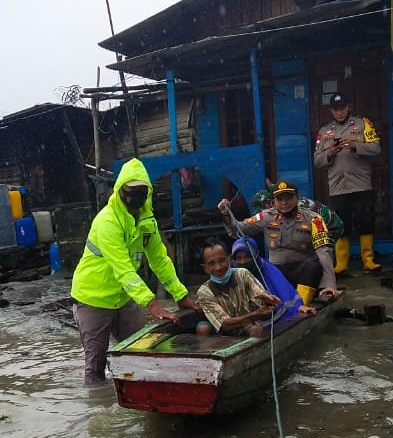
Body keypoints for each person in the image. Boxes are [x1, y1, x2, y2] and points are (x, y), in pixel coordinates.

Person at [70, 158, 200, 386]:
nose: (135, 197)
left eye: (141, 191)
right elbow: (124, 269)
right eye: (130, 191)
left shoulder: (147, 220)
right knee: (95, 365)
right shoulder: (107, 222)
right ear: (120, 190)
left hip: (123, 297)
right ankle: (98, 411)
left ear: (148, 191)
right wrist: (152, 304)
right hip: (92, 299)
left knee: (143, 348)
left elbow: (160, 260)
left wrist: (181, 296)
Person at [218, 179, 340, 305]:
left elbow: (324, 252)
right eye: (280, 199)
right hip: (275, 273)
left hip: (304, 274)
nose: (284, 203)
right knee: (248, 262)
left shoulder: (315, 219)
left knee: (314, 265)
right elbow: (238, 231)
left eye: (288, 198)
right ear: (273, 202)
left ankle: (301, 305)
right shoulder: (266, 217)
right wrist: (226, 213)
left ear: (297, 199)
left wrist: (329, 285)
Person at [313, 92, 382, 272]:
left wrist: (355, 146)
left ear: (349, 107)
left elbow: (376, 148)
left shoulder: (363, 124)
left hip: (361, 183)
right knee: (340, 224)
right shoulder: (324, 131)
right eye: (335, 109)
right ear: (331, 111)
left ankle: (368, 260)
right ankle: (341, 264)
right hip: (338, 186)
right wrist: (330, 152)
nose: (339, 112)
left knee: (365, 220)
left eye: (342, 108)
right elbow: (317, 160)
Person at [193, 239, 316, 339]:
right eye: (212, 263)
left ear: (229, 260)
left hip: (247, 325)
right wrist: (255, 315)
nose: (218, 267)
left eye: (222, 260)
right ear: (205, 268)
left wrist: (268, 300)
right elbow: (224, 325)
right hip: (222, 330)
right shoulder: (204, 292)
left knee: (256, 330)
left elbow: (258, 294)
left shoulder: (242, 274)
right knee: (203, 329)